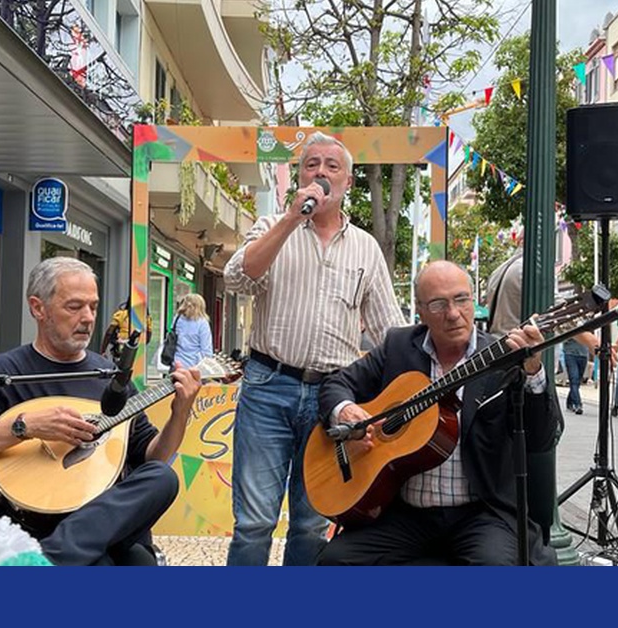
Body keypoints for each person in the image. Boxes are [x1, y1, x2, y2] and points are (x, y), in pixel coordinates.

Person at [0, 258, 203, 565]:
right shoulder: (4, 372)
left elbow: (151, 457)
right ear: (38, 308)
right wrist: (23, 427)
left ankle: (51, 560)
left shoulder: (110, 376)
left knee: (162, 477)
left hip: (92, 521)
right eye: (74, 307)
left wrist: (180, 412)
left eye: (93, 306)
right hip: (24, 518)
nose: (88, 318)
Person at [222, 131, 404, 566]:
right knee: (254, 522)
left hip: (332, 400)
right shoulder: (272, 227)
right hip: (268, 387)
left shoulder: (365, 248)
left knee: (313, 522)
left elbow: (388, 332)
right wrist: (290, 219)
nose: (320, 172)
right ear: (299, 177)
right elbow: (235, 279)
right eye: (311, 165)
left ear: (348, 183)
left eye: (332, 166)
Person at [316, 261, 561, 565]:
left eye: (461, 299)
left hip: (481, 514)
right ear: (419, 310)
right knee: (335, 560)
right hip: (406, 514)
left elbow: (541, 438)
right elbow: (336, 384)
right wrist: (347, 411)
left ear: (475, 301)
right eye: (438, 304)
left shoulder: (505, 358)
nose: (454, 313)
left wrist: (534, 369)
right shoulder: (398, 347)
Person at [171, 294, 214, 368]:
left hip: (177, 364)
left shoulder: (177, 319)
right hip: (195, 366)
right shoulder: (203, 323)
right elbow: (206, 350)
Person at [563, 336, 590, 415]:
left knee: (577, 381)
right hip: (570, 354)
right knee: (574, 379)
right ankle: (578, 404)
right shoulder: (568, 324)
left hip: (583, 355)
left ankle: (569, 401)